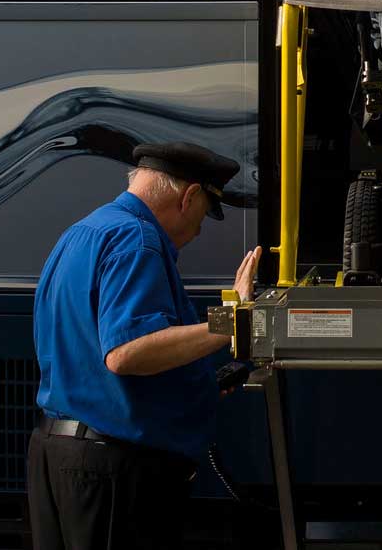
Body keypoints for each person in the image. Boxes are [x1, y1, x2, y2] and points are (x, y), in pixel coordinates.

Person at [27, 142, 262, 550]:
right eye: (205, 215)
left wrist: (198, 382)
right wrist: (234, 320)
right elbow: (128, 352)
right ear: (188, 197)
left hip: (56, 455)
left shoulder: (83, 233)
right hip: (113, 471)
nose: (197, 231)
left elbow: (90, 353)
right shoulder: (139, 241)